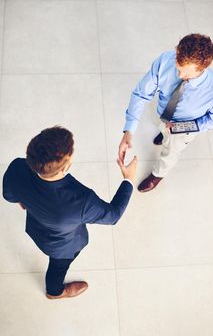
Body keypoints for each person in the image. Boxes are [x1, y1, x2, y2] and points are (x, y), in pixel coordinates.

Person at [3, 126, 137, 299]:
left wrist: (25, 201)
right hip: (62, 247)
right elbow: (113, 216)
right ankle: (54, 292)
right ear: (65, 167)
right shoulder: (82, 201)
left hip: (36, 229)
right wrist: (128, 179)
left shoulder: (17, 167)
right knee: (58, 268)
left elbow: (8, 195)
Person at [118, 33, 213, 193]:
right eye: (178, 68)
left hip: (183, 131)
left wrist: (183, 127)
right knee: (162, 129)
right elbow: (141, 94)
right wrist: (128, 131)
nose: (179, 75)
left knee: (170, 152)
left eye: (186, 74)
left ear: (203, 68)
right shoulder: (166, 60)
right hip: (162, 114)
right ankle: (163, 134)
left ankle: (158, 174)